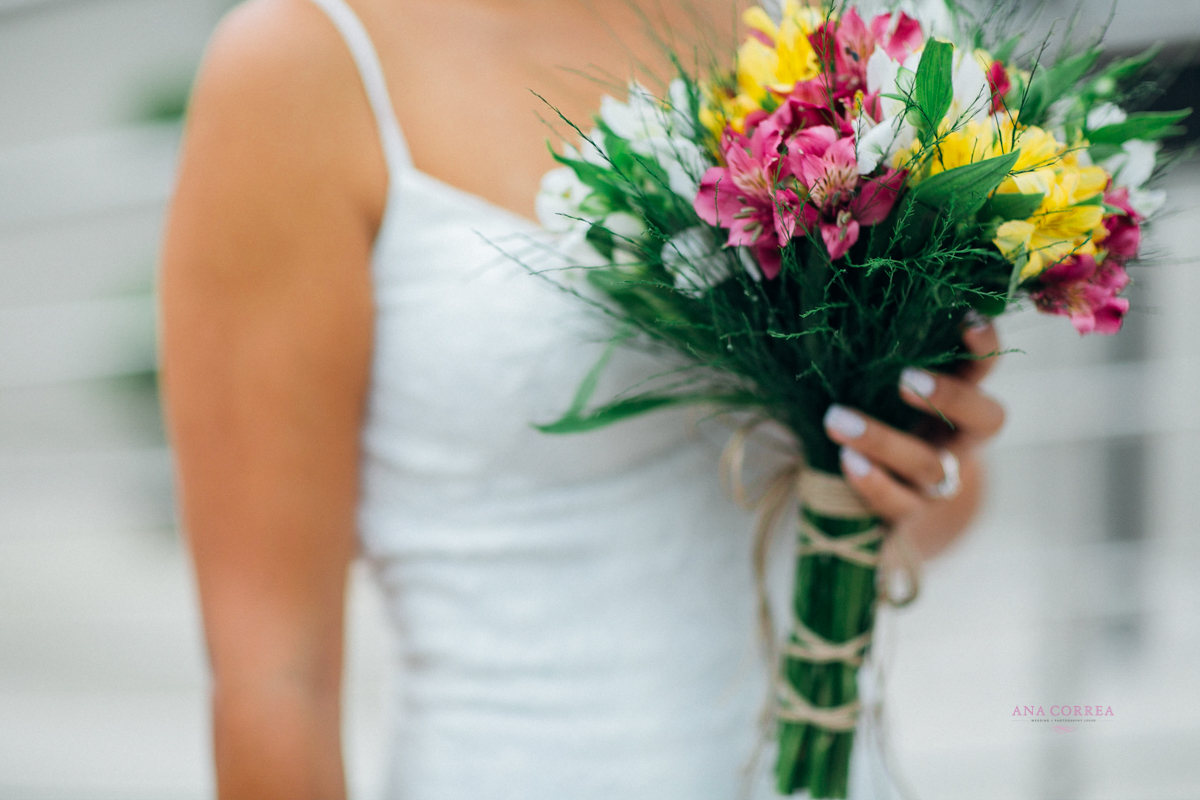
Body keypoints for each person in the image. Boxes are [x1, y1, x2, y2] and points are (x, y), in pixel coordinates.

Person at [158, 0, 1007, 797]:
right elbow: (274, 679)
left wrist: (913, 469)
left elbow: (936, 517)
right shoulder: (302, 63)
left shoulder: (813, 24)